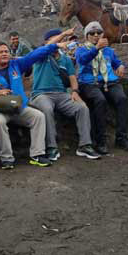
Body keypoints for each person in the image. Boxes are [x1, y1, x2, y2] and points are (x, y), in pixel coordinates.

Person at [0, 40, 68, 169]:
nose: (4, 54)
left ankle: (37, 154)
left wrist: (55, 46)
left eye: (6, 51)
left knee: (38, 116)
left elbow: (34, 55)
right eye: (0, 52)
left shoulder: (16, 65)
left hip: (18, 107)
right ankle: (6, 158)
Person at [30, 29, 100, 161]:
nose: (61, 41)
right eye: (57, 39)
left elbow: (72, 77)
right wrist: (62, 35)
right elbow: (48, 47)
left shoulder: (66, 59)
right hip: (41, 94)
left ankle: (85, 145)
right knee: (47, 109)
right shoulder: (41, 55)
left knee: (82, 108)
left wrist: (74, 91)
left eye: (61, 39)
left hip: (61, 94)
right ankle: (51, 147)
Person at [75, 21, 128, 154]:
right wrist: (96, 48)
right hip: (89, 82)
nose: (96, 35)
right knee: (100, 100)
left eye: (99, 32)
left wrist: (121, 66)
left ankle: (122, 137)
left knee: (121, 99)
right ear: (87, 36)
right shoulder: (81, 49)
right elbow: (82, 60)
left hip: (109, 82)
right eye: (92, 33)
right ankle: (100, 140)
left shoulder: (108, 50)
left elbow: (117, 62)